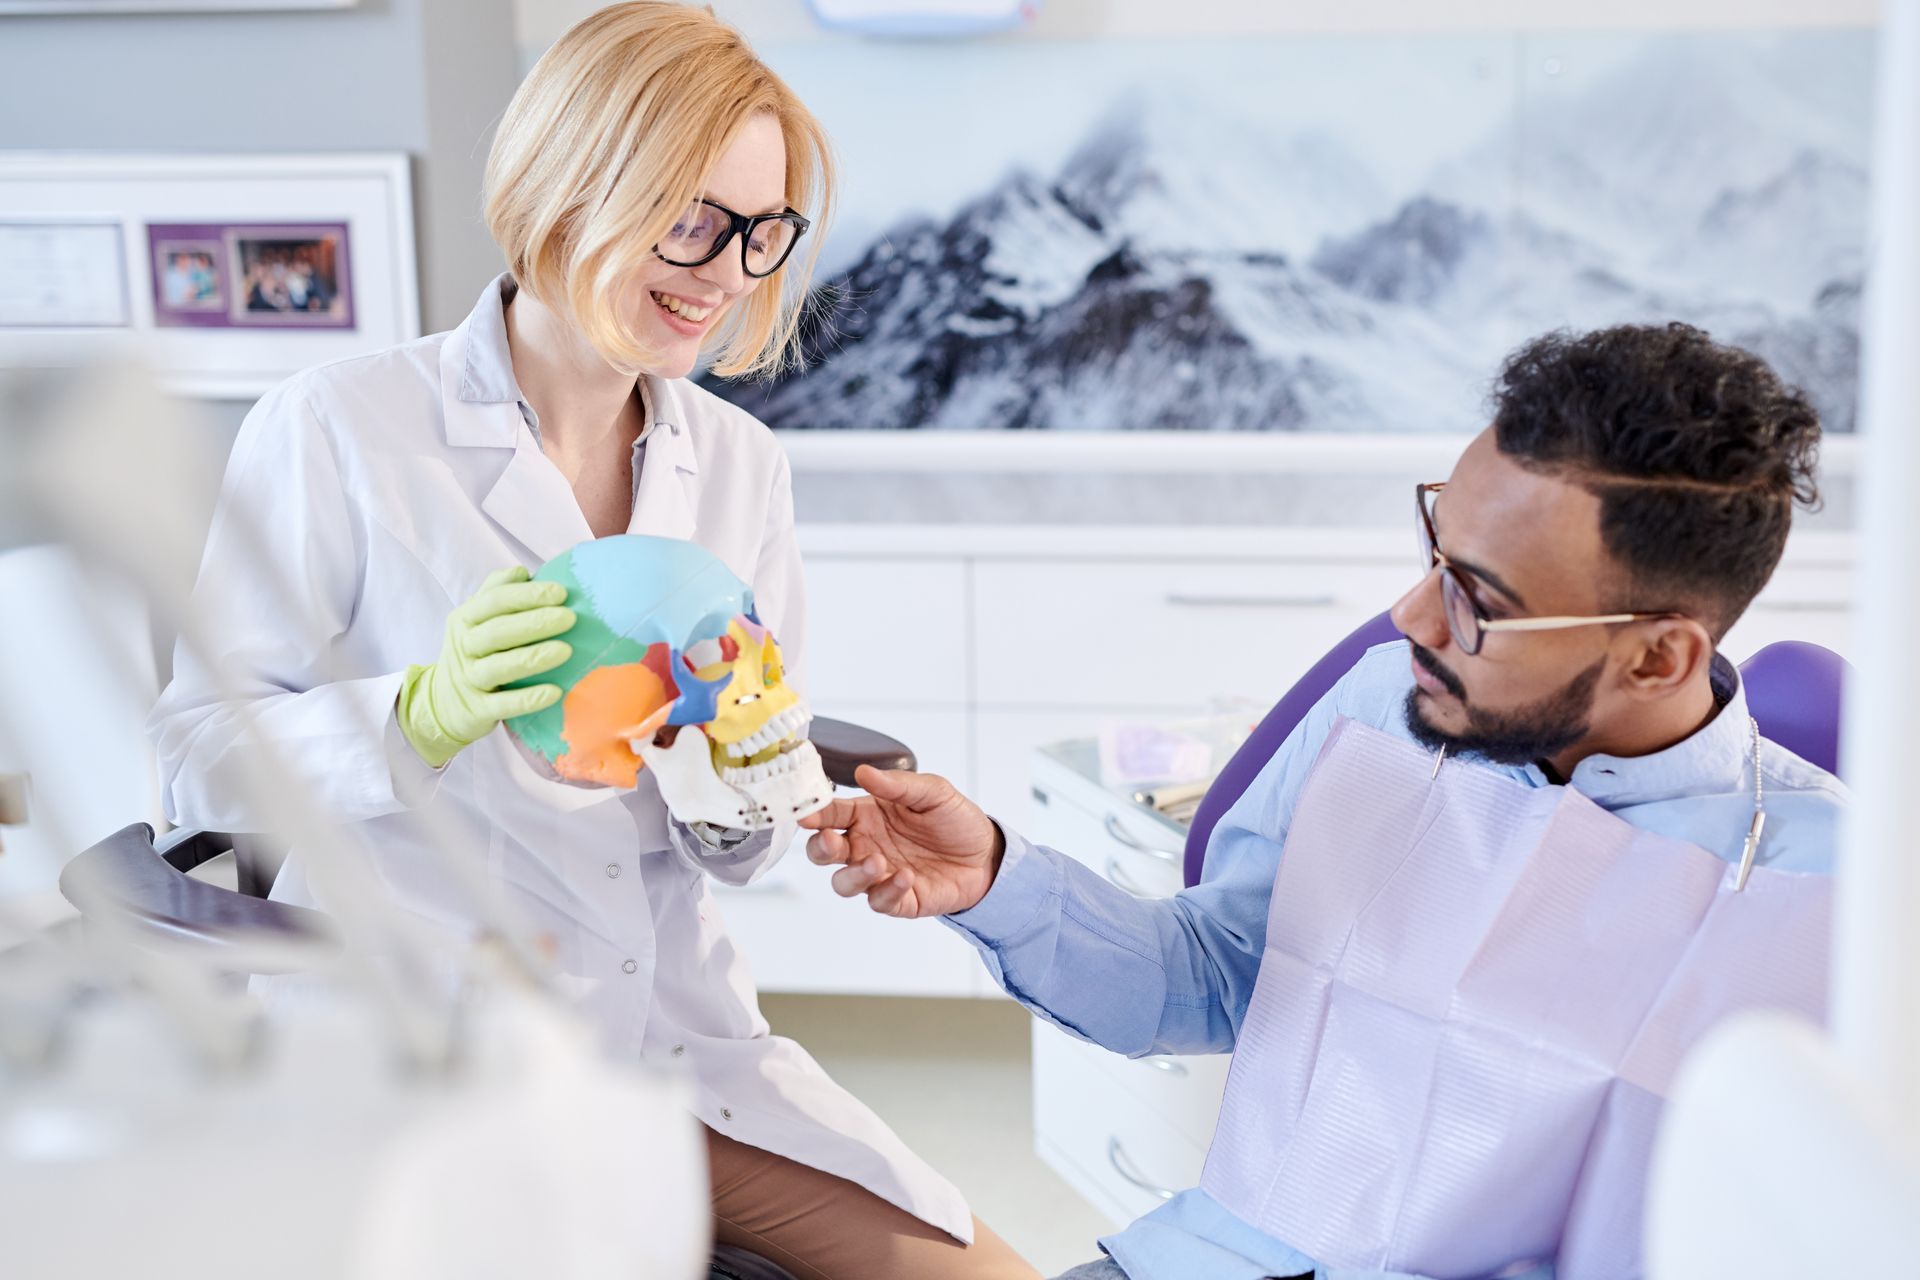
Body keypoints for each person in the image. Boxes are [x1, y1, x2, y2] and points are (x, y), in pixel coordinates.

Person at [147, 5, 1036, 1278]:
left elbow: (731, 856)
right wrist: (422, 711)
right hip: (423, 1059)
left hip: (668, 1051)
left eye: (762, 230)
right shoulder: (340, 430)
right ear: (568, 186)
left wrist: (740, 770)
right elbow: (194, 762)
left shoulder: (737, 465)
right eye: (690, 218)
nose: (728, 271)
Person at [804, 323, 1844, 1280]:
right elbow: (1218, 974)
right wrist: (994, 876)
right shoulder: (1386, 707)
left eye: (1481, 599)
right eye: (1435, 552)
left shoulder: (1834, 897)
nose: (1409, 618)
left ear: (1661, 654)